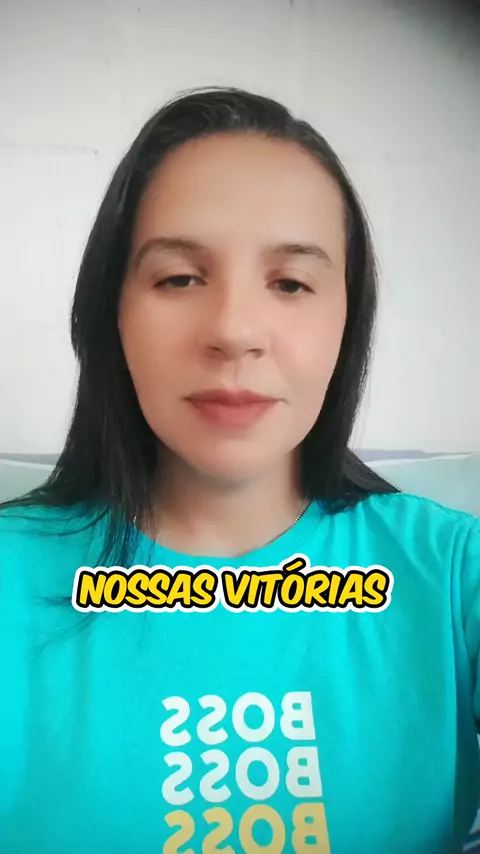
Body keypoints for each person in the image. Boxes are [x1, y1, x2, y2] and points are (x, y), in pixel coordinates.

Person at [0, 86, 478, 854]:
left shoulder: (452, 572)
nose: (233, 330)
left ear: (347, 319)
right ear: (112, 312)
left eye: (290, 283)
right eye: (180, 278)